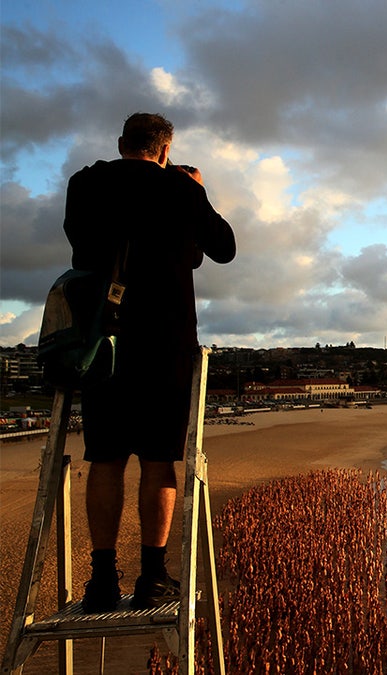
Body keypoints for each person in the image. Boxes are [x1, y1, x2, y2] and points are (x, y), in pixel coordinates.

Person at [64, 113, 236, 612]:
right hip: (165, 339)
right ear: (165, 149)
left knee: (106, 458)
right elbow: (223, 249)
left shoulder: (84, 183)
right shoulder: (180, 190)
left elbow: (79, 243)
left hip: (103, 339)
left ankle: (100, 581)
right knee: (159, 460)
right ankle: (153, 576)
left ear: (122, 144)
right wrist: (195, 189)